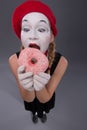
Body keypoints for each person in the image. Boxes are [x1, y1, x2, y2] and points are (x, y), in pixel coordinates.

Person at [9, 0, 68, 123]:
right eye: (26, 29)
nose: (33, 36)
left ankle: (42, 114)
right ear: (21, 34)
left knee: (43, 107)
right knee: (32, 107)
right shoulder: (14, 60)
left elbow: (45, 98)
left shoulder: (61, 62)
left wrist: (40, 87)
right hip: (30, 97)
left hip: (45, 97)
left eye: (41, 29)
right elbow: (28, 98)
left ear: (51, 36)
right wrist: (29, 87)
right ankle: (34, 113)